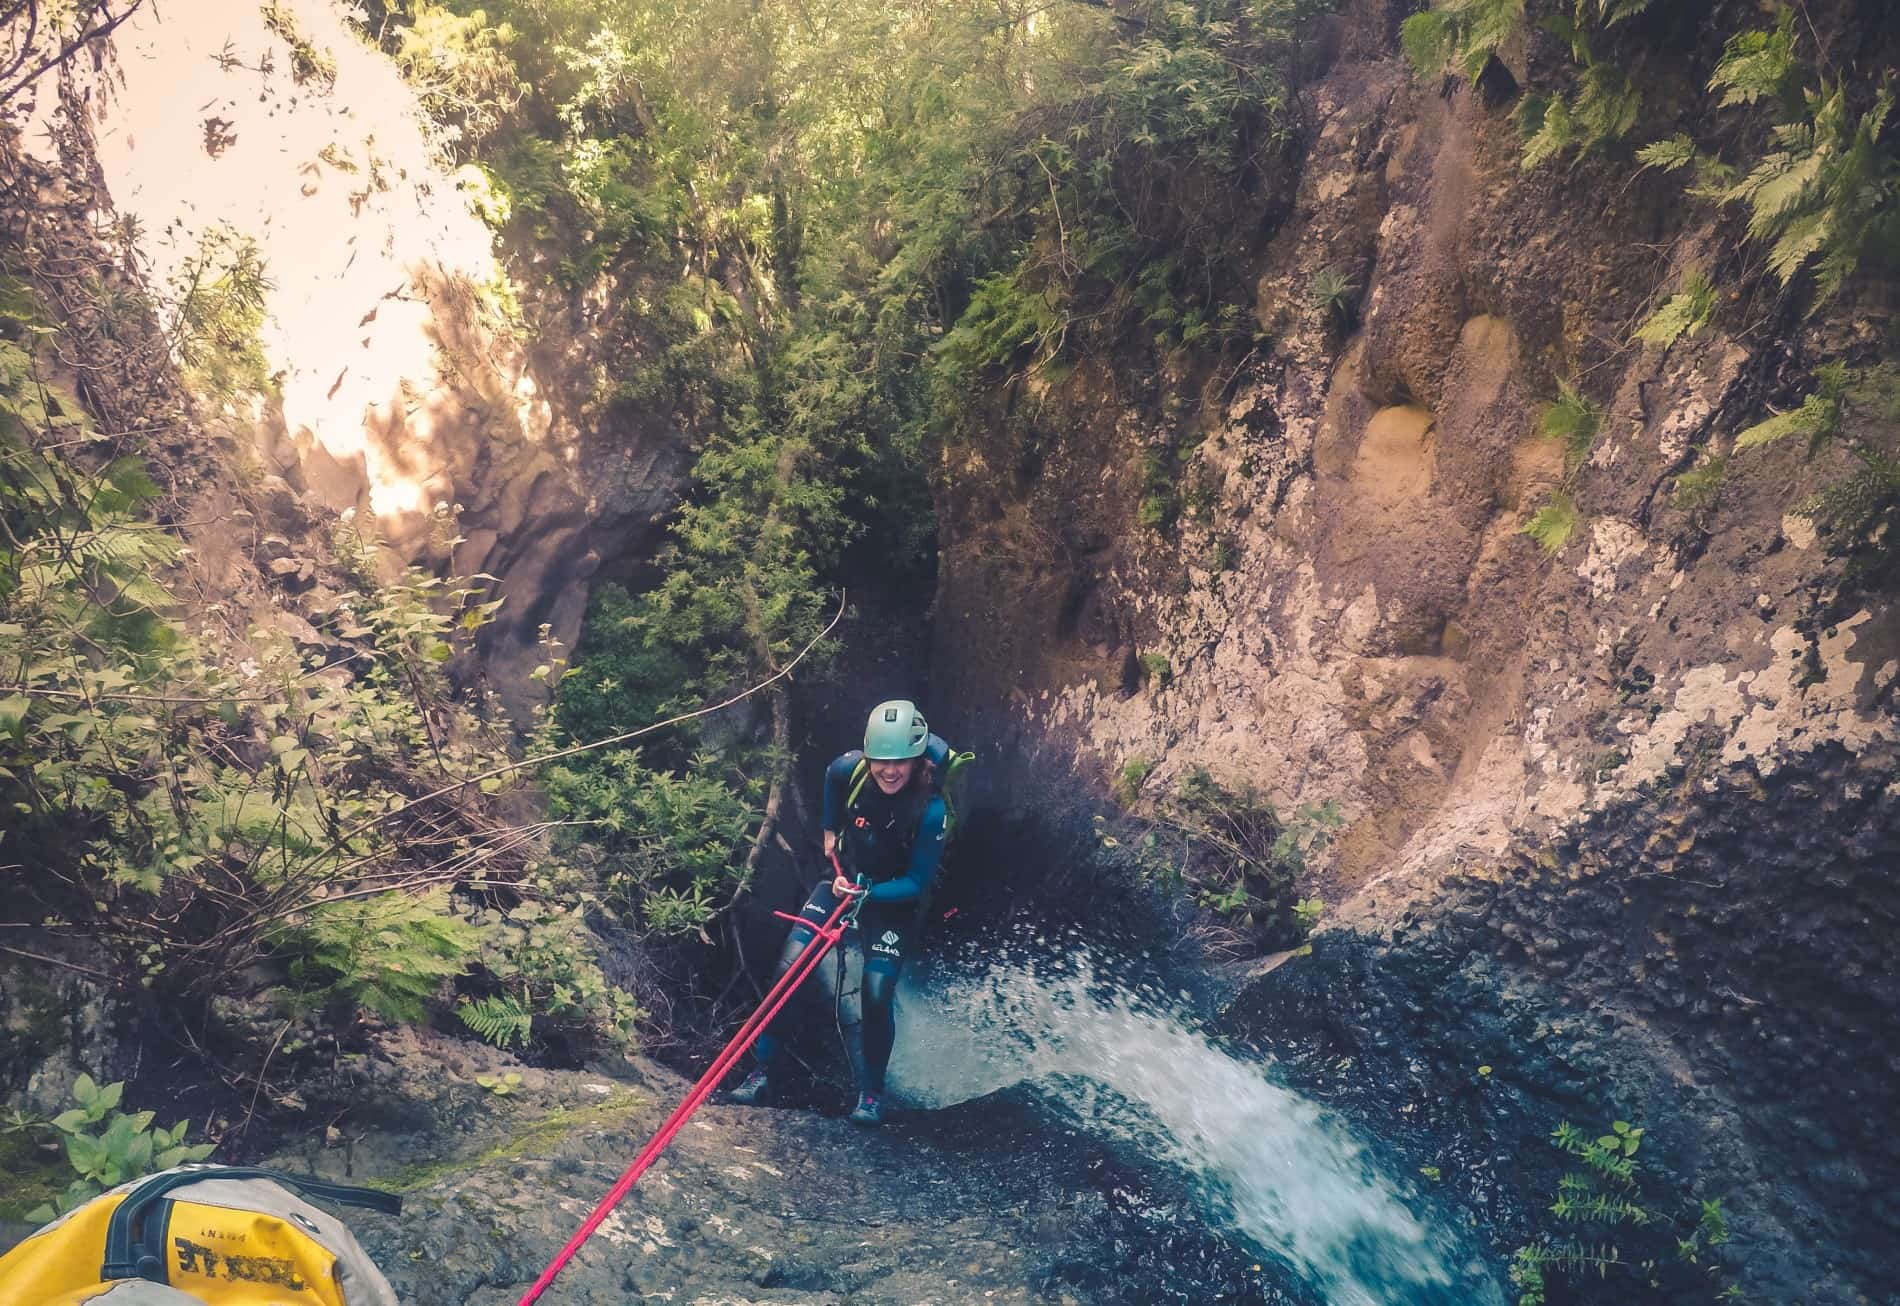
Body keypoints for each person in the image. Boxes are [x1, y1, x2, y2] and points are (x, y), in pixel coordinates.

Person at [727, 699, 951, 1125]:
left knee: (877, 990)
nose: (889, 770)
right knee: (788, 968)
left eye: (900, 761)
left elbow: (918, 882)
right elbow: (831, 774)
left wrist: (869, 895)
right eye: (881, 760)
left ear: (917, 759)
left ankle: (870, 1095)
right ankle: (761, 1072)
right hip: (841, 882)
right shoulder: (850, 770)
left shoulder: (930, 810)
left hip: (890, 899)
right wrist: (830, 828)